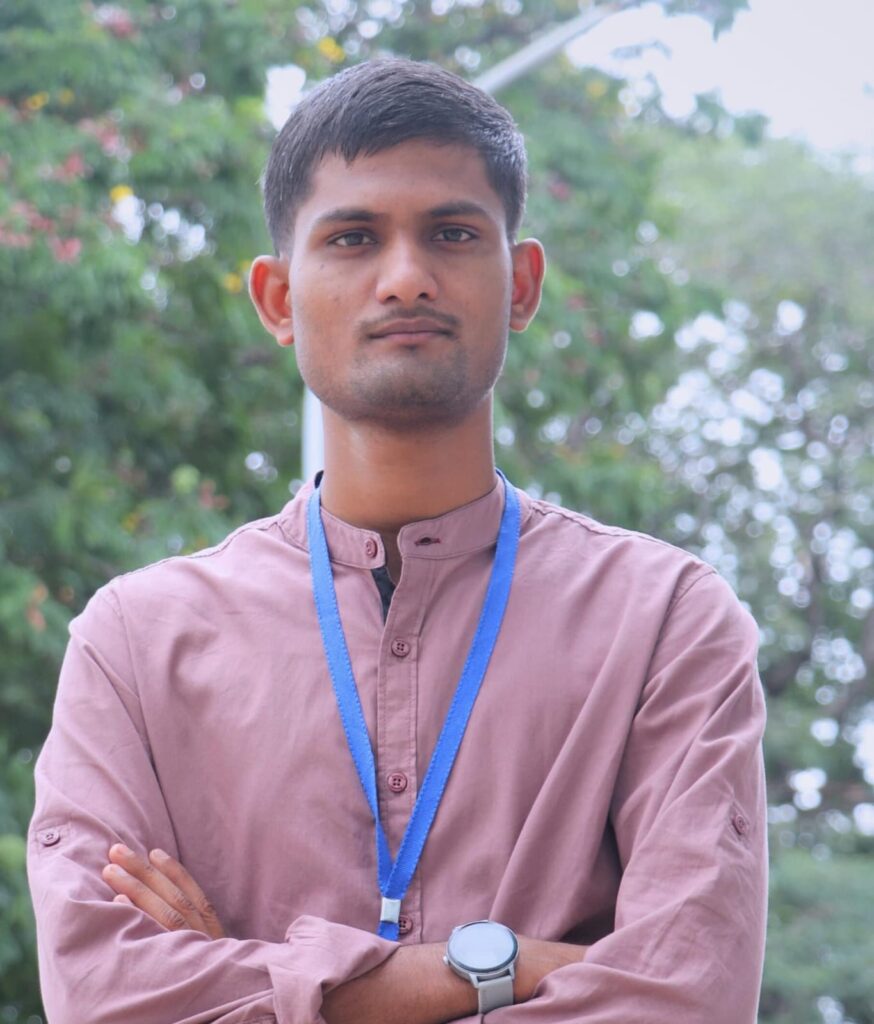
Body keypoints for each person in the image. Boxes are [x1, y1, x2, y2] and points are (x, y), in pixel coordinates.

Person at [28, 58, 768, 1024]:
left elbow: (685, 998)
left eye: (453, 233)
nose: (407, 277)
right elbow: (105, 998)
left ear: (522, 284)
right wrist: (503, 969)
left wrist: (261, 985)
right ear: (278, 299)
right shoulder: (135, 643)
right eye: (354, 238)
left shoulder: (665, 621)